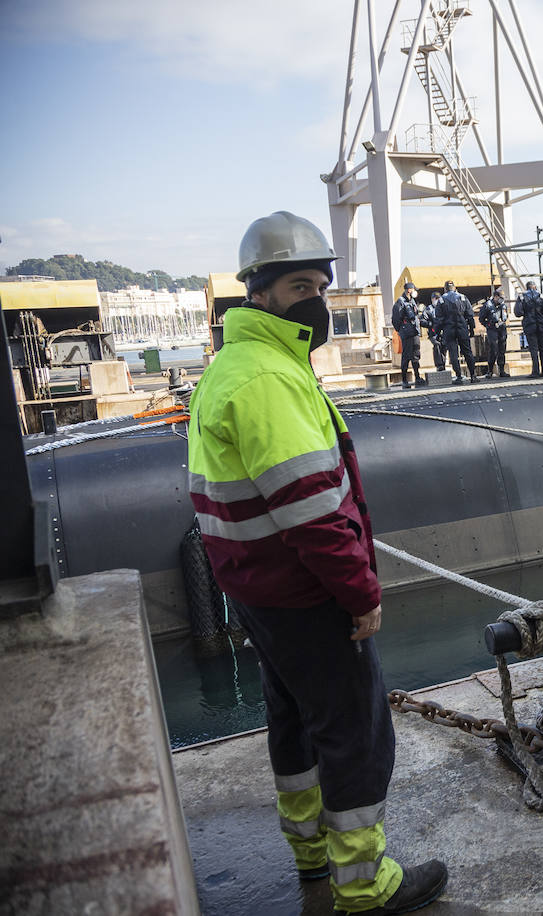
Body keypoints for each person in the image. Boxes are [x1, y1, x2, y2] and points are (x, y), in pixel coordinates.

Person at [187, 211, 448, 915]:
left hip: (260, 593)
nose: (316, 301)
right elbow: (311, 508)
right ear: (260, 292)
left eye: (323, 287)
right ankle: (365, 887)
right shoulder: (268, 378)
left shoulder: (234, 367)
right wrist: (361, 592)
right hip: (305, 593)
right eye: (299, 285)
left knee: (294, 724)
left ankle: (311, 858)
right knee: (354, 733)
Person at [437, 280, 478, 383]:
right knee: (467, 351)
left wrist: (437, 332)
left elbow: (439, 318)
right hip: (462, 327)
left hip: (449, 329)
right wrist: (472, 328)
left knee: (453, 353)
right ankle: (473, 375)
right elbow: (470, 314)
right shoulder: (463, 297)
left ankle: (459, 376)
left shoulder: (441, 300)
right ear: (454, 288)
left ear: (445, 289)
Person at [514, 281, 543, 377]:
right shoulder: (541, 296)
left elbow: (518, 312)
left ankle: (535, 371)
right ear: (535, 287)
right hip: (541, 325)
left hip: (530, 325)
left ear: (526, 287)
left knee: (533, 349)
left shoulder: (522, 297)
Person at [391, 282, 423, 388]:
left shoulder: (412, 301)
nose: (415, 292)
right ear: (409, 290)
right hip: (407, 332)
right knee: (406, 356)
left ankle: (417, 377)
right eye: (413, 290)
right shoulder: (400, 302)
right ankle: (404, 380)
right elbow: (395, 319)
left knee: (416, 355)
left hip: (414, 332)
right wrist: (401, 330)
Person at [478, 290, 511, 378]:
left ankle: (502, 370)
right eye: (500, 297)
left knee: (502, 350)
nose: (501, 299)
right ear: (495, 297)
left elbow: (505, 315)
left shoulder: (503, 305)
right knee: (493, 349)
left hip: (502, 328)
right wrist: (488, 325)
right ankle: (490, 371)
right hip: (492, 329)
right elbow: (481, 318)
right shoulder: (487, 306)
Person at [421, 292, 445, 372]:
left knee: (444, 347)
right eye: (436, 299)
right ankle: (439, 365)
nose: (437, 300)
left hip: (443, 332)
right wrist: (430, 324)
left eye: (438, 298)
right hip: (433, 333)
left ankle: (443, 364)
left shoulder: (443, 307)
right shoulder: (428, 309)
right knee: (437, 346)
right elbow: (422, 320)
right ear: (432, 299)